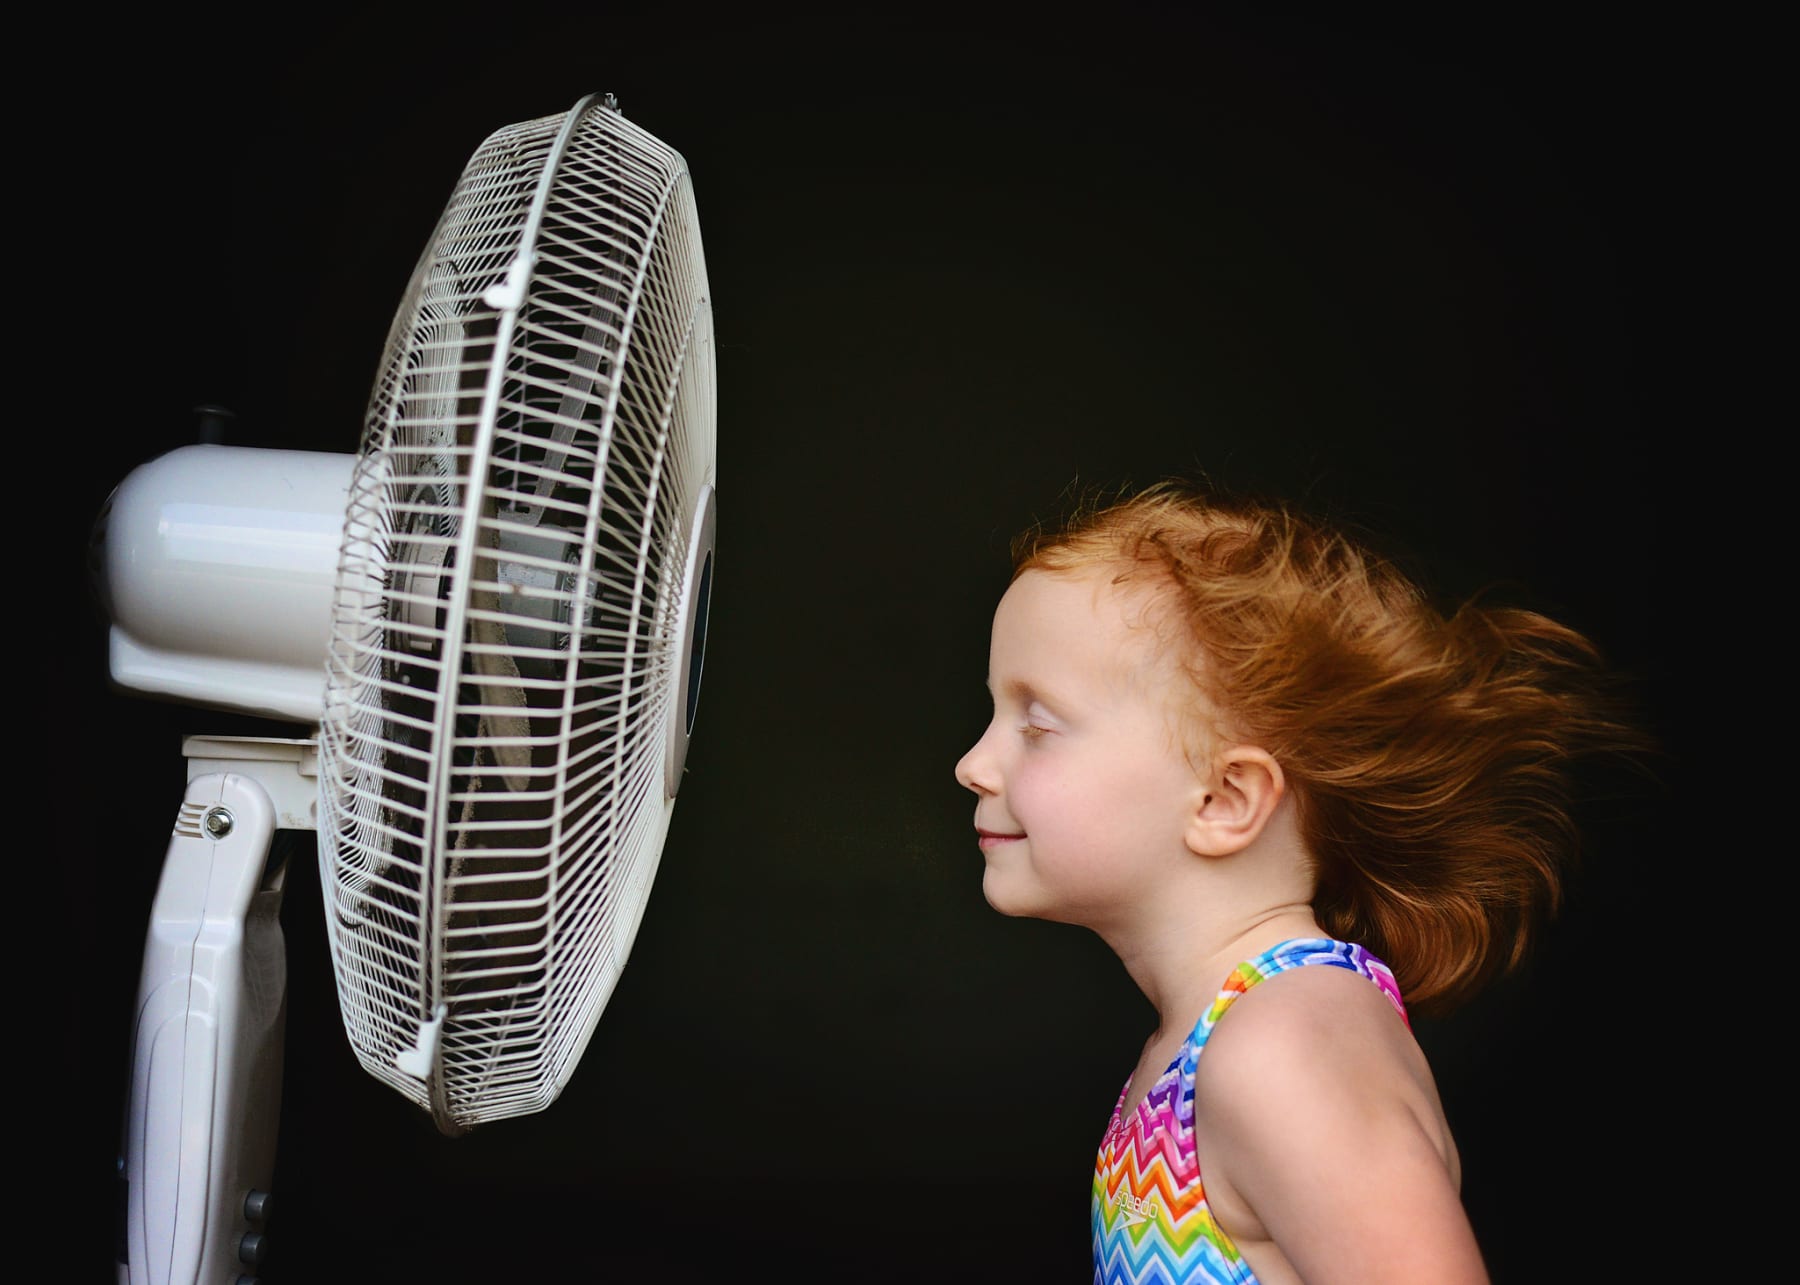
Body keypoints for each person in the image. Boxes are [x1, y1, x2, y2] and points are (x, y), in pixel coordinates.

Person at [953, 480, 1644, 1285]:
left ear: (1223, 799)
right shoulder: (1205, 1042)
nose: (973, 764)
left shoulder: (1279, 1047)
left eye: (1036, 727)